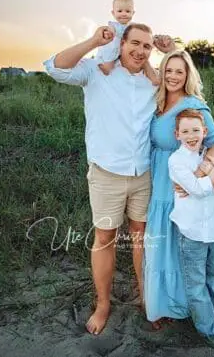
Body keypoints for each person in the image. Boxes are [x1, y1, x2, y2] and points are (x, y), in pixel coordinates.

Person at [43, 23, 173, 334]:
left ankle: (147, 299)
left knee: (143, 239)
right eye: (135, 43)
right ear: (121, 42)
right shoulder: (96, 72)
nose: (140, 51)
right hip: (106, 173)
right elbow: (55, 68)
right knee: (105, 238)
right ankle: (103, 304)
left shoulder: (153, 82)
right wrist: (92, 41)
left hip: (143, 173)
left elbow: (188, 87)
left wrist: (172, 53)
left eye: (147, 46)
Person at [144, 50, 214, 329]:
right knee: (161, 244)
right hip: (159, 182)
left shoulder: (194, 105)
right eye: (168, 70)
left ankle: (191, 307)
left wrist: (201, 170)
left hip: (183, 180)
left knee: (185, 241)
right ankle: (162, 305)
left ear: (188, 75)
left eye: (180, 71)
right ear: (162, 72)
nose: (173, 77)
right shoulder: (156, 103)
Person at [168, 108, 214, 351]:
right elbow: (197, 190)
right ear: (177, 134)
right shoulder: (176, 161)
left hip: (211, 230)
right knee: (196, 286)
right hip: (192, 234)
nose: (191, 135)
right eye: (185, 131)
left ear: (204, 132)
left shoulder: (205, 157)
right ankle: (213, 334)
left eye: (196, 131)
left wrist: (212, 173)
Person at [94, 0, 173, 83]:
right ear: (113, 13)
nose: (124, 14)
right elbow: (109, 32)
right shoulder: (113, 25)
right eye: (120, 11)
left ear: (133, 13)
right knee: (107, 68)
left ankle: (153, 78)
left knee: (143, 61)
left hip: (128, 51)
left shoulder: (133, 26)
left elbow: (144, 36)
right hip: (114, 49)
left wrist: (155, 40)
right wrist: (107, 34)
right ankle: (105, 73)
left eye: (127, 11)